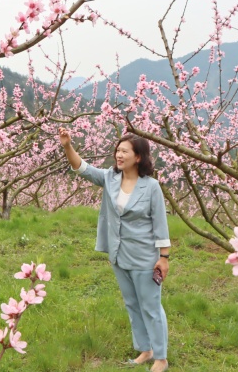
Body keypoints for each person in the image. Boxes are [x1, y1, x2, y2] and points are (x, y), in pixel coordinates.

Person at [59, 128, 170, 372]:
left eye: (124, 152)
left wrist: (163, 257)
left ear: (138, 157)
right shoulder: (110, 177)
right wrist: (68, 146)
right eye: (117, 150)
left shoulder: (151, 187)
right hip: (118, 253)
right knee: (132, 304)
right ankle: (146, 349)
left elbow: (160, 223)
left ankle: (161, 358)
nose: (118, 155)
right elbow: (82, 168)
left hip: (144, 256)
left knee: (150, 306)